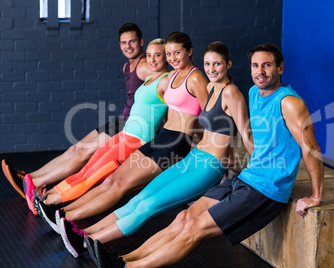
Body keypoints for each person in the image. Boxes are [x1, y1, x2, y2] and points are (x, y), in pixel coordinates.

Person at [89, 44, 325, 267]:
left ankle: (130, 267)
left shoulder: (290, 103)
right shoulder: (255, 93)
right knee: (183, 217)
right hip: (245, 178)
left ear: (280, 68)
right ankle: (124, 259)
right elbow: (255, 137)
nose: (260, 71)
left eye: (267, 65)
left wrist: (315, 196)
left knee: (195, 229)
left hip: (266, 189)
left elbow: (310, 149)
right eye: (255, 65)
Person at [57, 41, 254, 258]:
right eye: (208, 64)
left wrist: (254, 171)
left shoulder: (232, 93)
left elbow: (246, 134)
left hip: (209, 167)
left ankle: (87, 243)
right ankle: (83, 233)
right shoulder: (210, 88)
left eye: (217, 64)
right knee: (138, 199)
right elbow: (214, 126)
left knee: (148, 205)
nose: (211, 69)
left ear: (228, 64)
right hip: (194, 158)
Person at [34, 32, 209, 237]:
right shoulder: (172, 77)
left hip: (176, 142)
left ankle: (70, 221)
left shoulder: (196, 77)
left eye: (176, 53)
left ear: (190, 51)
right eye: (169, 54)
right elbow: (177, 111)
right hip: (161, 138)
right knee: (110, 181)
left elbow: (208, 114)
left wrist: (208, 145)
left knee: (120, 186)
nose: (172, 58)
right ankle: (61, 214)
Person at [1, 22, 152, 205]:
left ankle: (38, 184)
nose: (128, 46)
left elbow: (163, 88)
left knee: (82, 155)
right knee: (74, 150)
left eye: (132, 42)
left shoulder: (144, 66)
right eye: (123, 42)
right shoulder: (127, 67)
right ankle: (29, 178)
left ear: (141, 42)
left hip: (130, 126)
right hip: (121, 119)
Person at [28, 38, 169, 226]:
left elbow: (177, 106)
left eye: (157, 55)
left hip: (137, 141)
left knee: (90, 178)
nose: (152, 60)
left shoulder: (167, 80)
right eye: (149, 55)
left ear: (166, 57)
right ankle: (45, 199)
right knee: (84, 172)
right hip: (124, 135)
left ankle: (49, 204)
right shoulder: (150, 78)